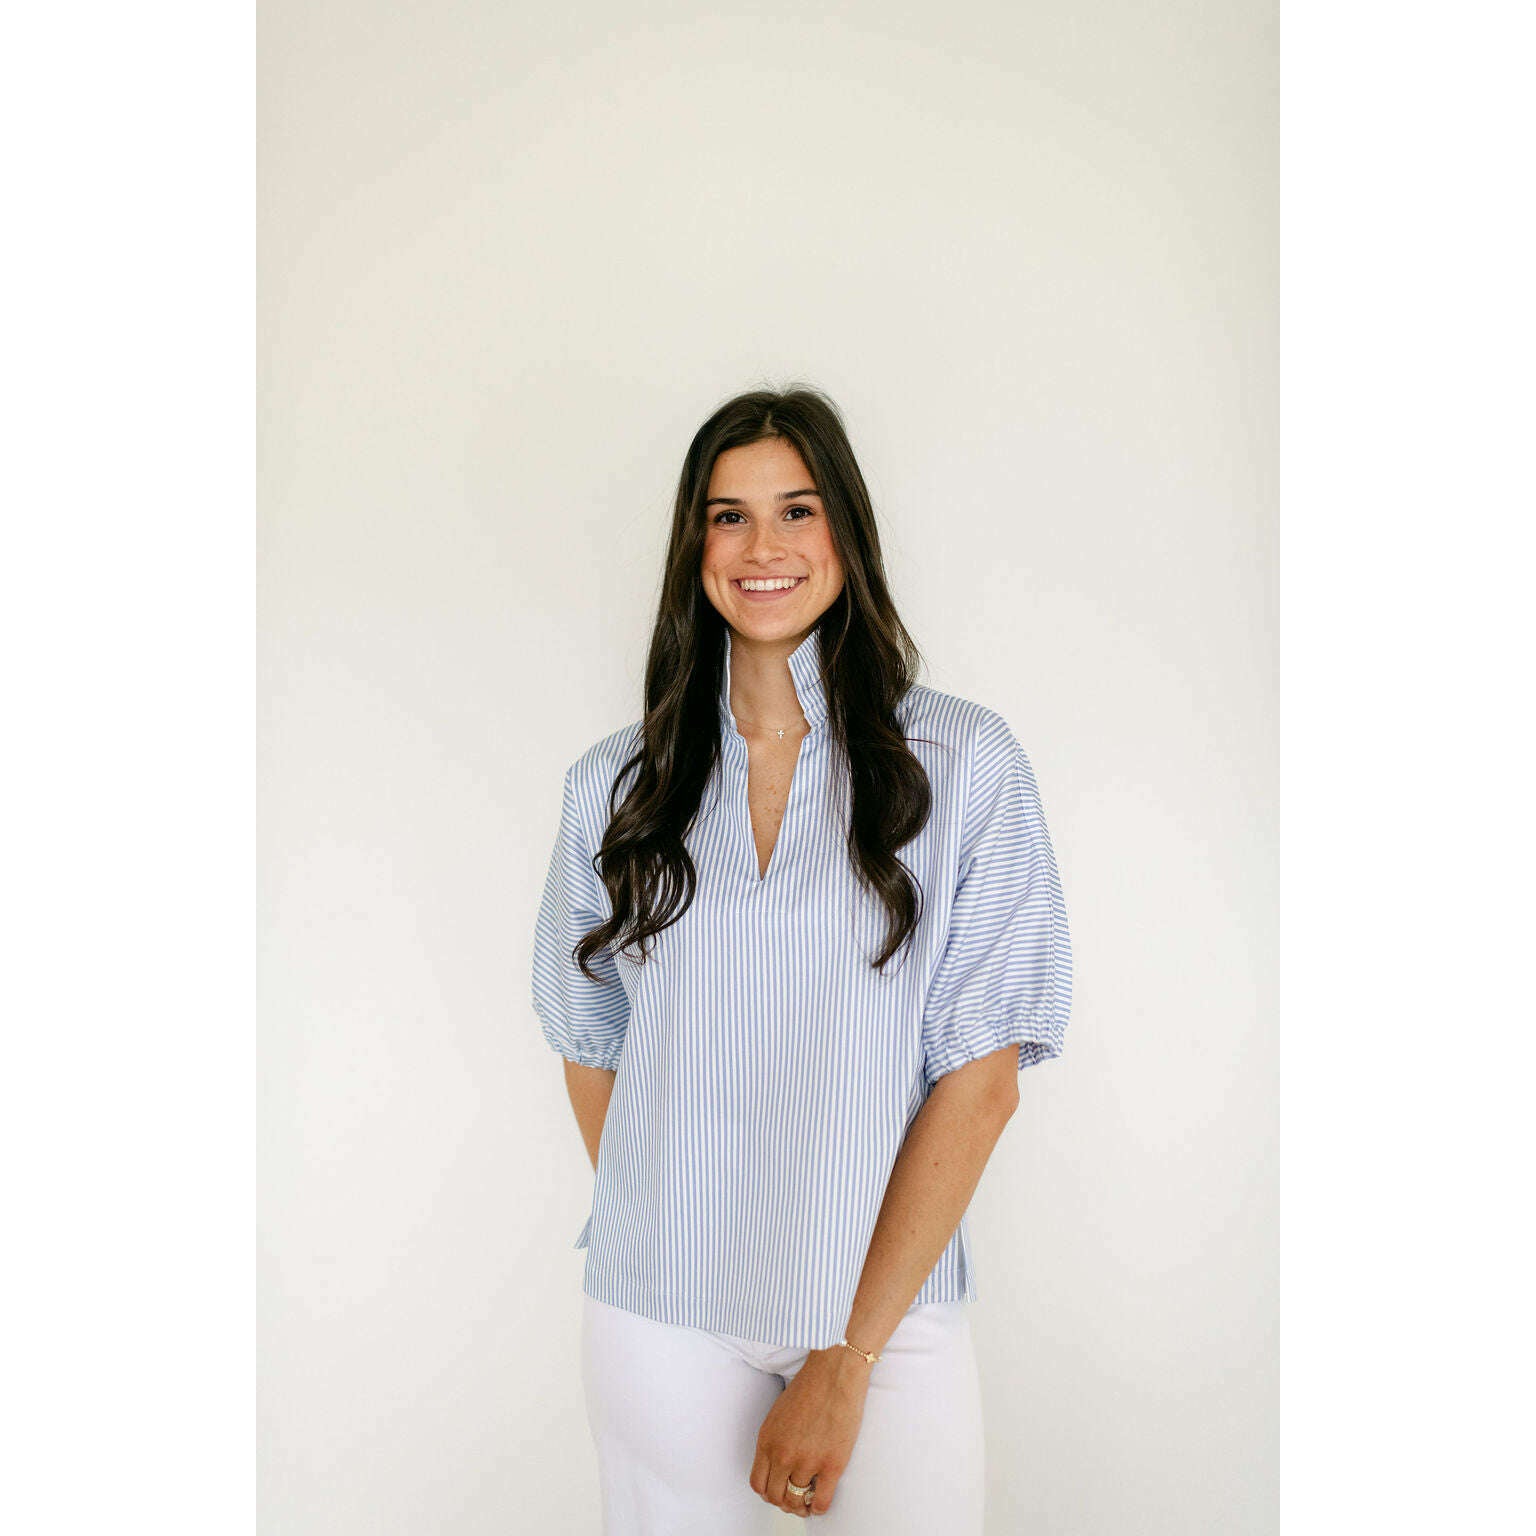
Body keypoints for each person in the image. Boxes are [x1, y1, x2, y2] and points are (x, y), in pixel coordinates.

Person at [531, 386, 1074, 1533]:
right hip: (661, 1311)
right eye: (727, 517)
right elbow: (591, 1041)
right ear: (693, 547)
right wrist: (675, 1226)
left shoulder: (963, 764)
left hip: (887, 1312)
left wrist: (847, 1354)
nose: (762, 548)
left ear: (846, 533)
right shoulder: (614, 788)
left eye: (797, 510)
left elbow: (982, 1083)